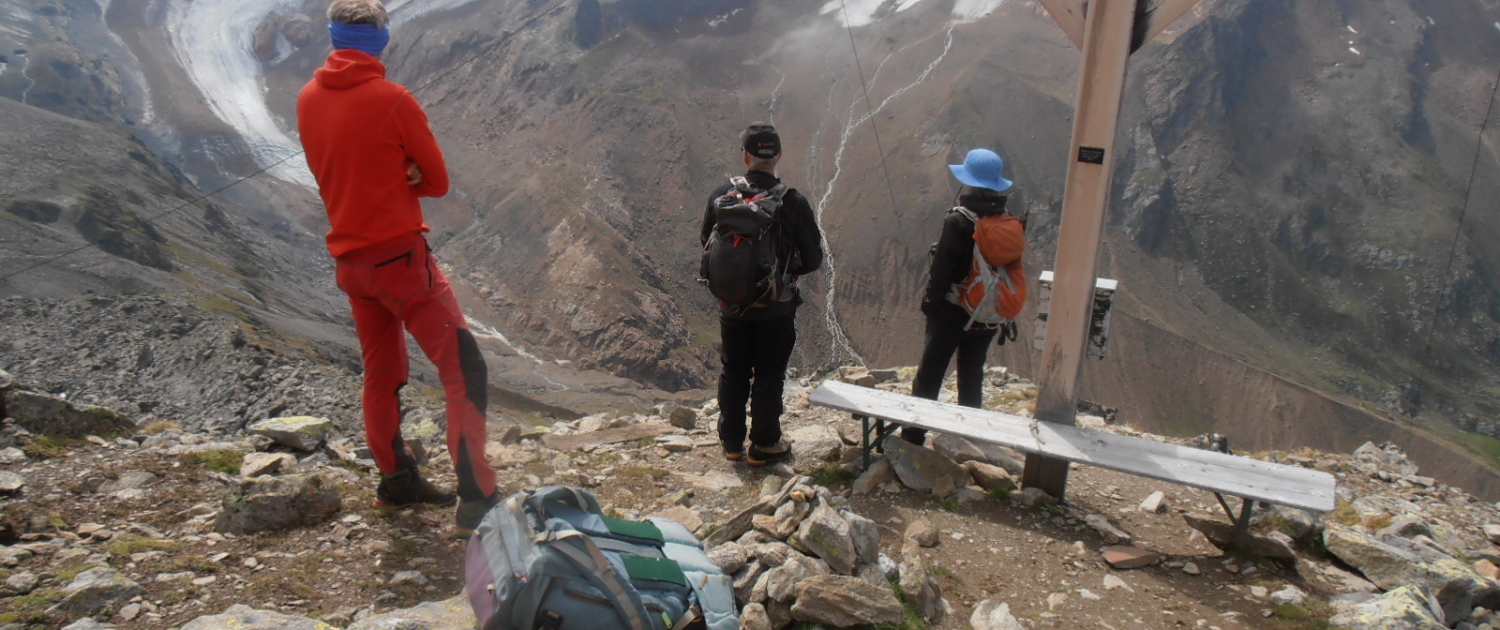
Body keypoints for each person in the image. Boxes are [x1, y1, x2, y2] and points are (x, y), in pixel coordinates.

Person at [296, 0, 498, 535]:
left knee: (381, 376)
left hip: (350, 263)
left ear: (334, 37)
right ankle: (477, 497)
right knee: (464, 370)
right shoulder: (393, 99)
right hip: (401, 262)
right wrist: (403, 171)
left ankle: (396, 481)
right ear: (382, 41)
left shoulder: (307, 98)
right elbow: (436, 181)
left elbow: (333, 167)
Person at [700, 123, 824, 466]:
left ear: (745, 156)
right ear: (779, 156)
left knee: (733, 370)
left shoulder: (721, 194)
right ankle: (765, 444)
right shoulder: (792, 201)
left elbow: (706, 244)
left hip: (732, 306)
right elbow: (814, 258)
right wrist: (787, 271)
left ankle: (731, 444)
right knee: (769, 373)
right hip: (776, 308)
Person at [904, 148, 1020, 446]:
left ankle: (912, 438)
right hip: (987, 314)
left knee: (931, 374)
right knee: (972, 374)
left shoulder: (959, 221)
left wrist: (930, 304)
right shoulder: (1008, 222)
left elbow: (942, 270)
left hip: (953, 313)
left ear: (968, 182)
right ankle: (969, 439)